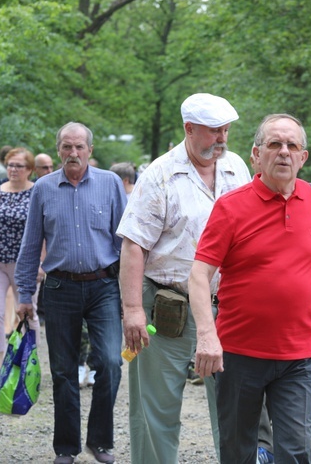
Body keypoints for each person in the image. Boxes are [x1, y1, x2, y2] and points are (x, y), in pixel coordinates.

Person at [188, 113, 311, 463]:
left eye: (292, 145)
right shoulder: (231, 206)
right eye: (274, 144)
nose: (283, 152)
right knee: (238, 452)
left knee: (296, 450)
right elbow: (198, 275)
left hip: (299, 356)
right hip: (240, 355)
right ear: (256, 155)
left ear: (303, 157)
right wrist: (207, 336)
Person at [116, 93, 251, 463]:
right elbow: (133, 246)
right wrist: (132, 310)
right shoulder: (159, 174)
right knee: (155, 410)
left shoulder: (236, 167)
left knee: (234, 407)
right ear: (189, 129)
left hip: (227, 307)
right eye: (213, 132)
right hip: (165, 304)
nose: (222, 139)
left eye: (226, 130)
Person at [15, 122, 126, 464]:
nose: (73, 153)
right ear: (59, 150)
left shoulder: (110, 184)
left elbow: (124, 242)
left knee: (110, 362)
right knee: (63, 371)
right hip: (60, 287)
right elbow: (31, 243)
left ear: (90, 150)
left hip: (104, 285)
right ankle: (66, 447)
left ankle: (100, 441)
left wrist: (132, 295)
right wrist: (23, 295)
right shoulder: (44, 189)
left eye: (79, 147)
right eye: (66, 147)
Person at [0, 147, 40, 388]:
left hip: (24, 264)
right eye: (10, 165)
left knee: (28, 313)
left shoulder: (36, 193)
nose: (13, 170)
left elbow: (45, 229)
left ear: (29, 170)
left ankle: (28, 364)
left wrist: (41, 263)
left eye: (19, 166)